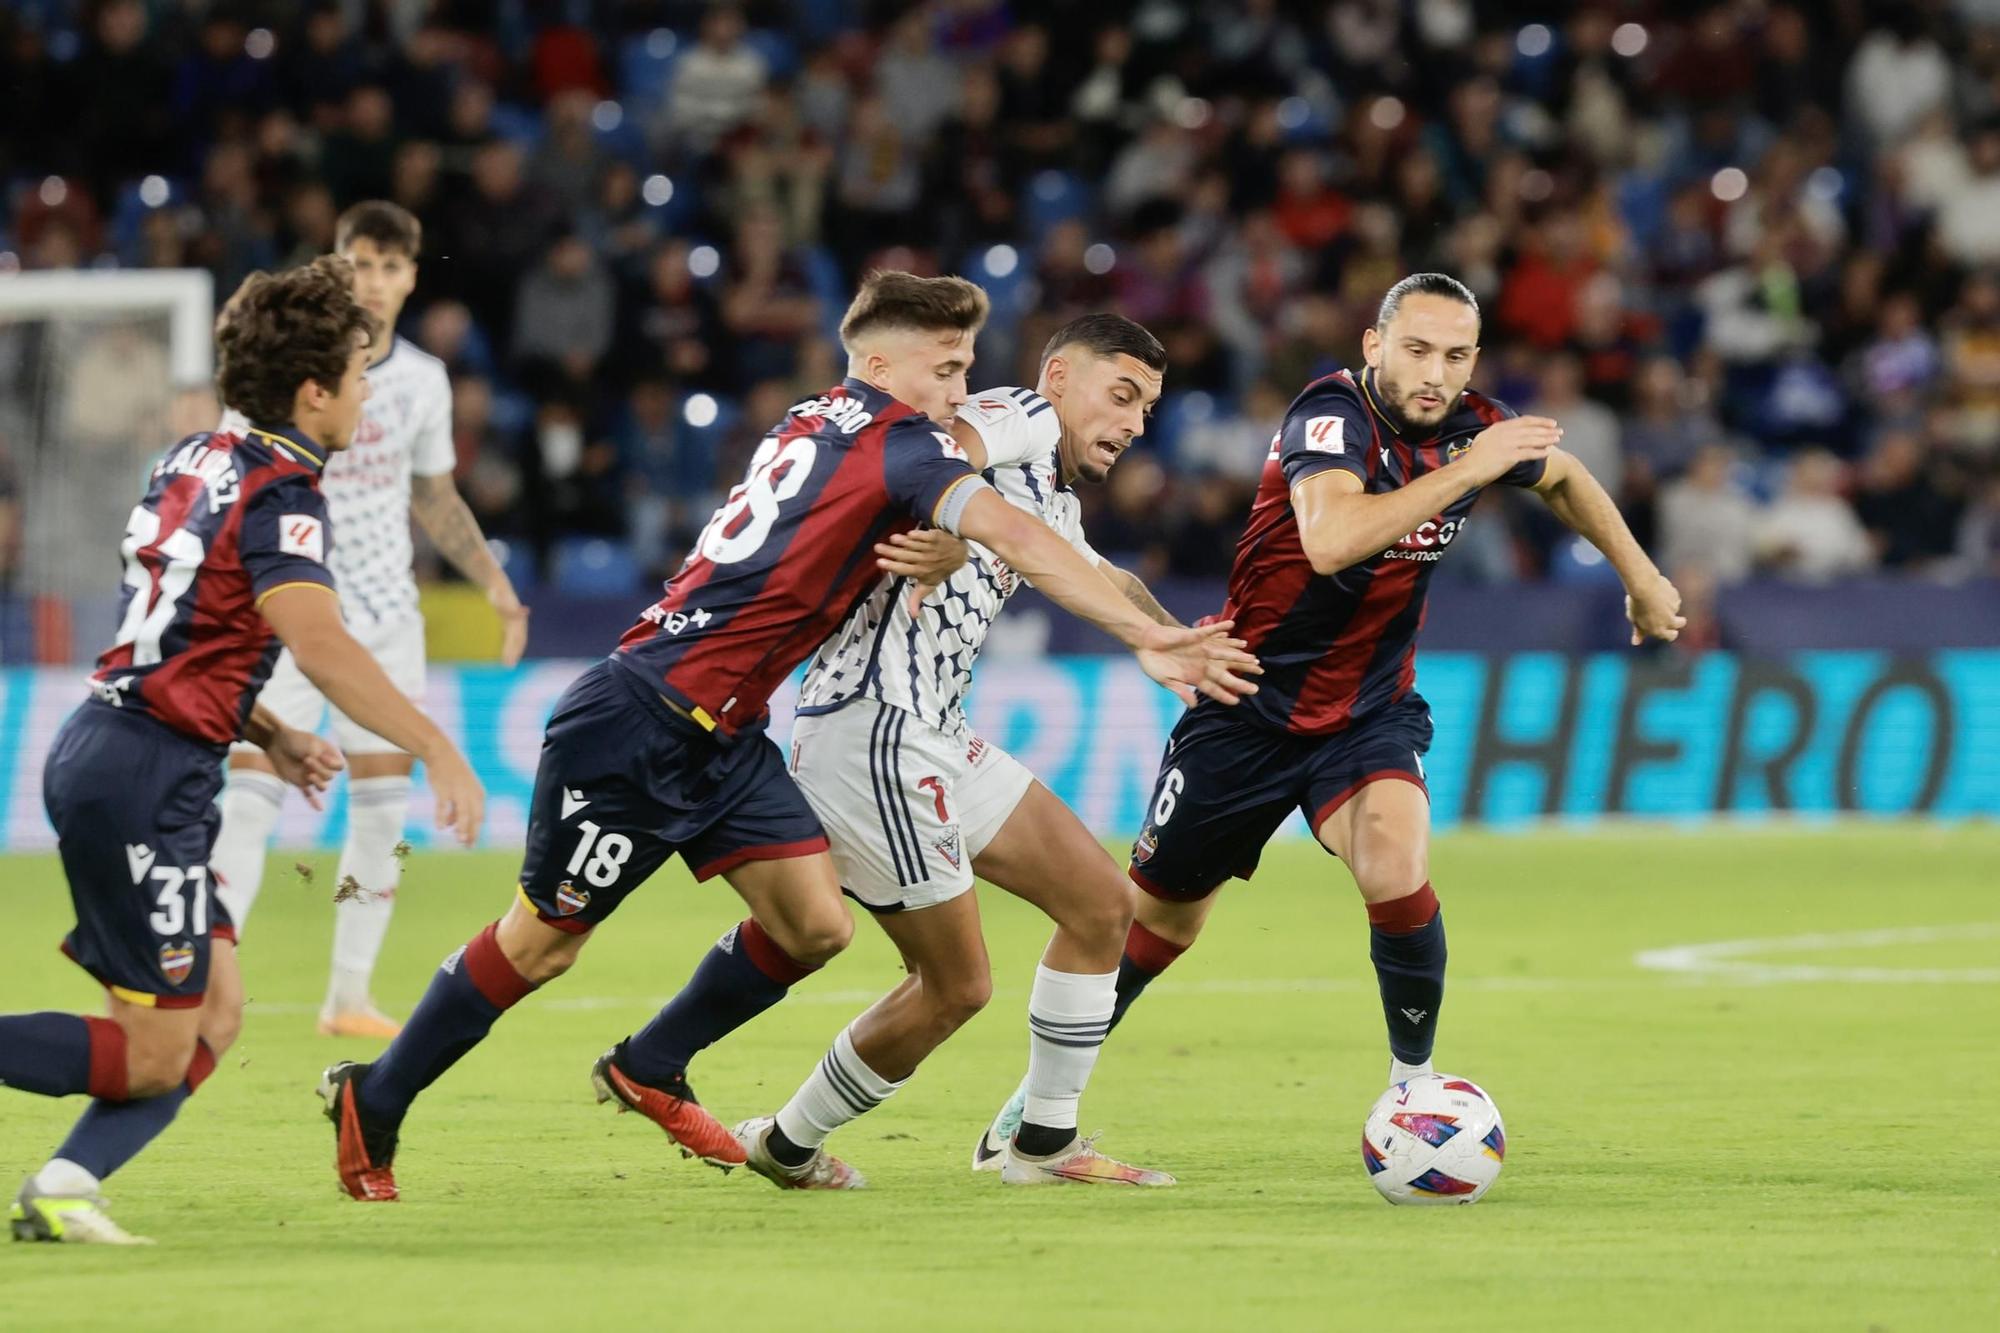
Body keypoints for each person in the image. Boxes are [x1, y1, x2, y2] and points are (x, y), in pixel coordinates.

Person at [317, 272, 1257, 1203]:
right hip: (643, 715)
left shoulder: (823, 421)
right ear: (883, 364)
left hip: (733, 731)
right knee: (544, 944)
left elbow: (1036, 530)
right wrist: (988, 538)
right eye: (947, 369)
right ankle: (379, 1095)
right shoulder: (927, 442)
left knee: (816, 924)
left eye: (967, 367)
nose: (960, 391)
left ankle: (655, 1063)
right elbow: (994, 487)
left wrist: (1145, 626)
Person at [972, 273, 1685, 1152]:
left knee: (1394, 858)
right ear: (1375, 346)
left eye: (1456, 356)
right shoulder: (1329, 416)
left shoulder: (1475, 426)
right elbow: (1332, 538)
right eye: (1417, 350)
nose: (1436, 373)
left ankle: (1414, 1093)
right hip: (1242, 706)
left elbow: (1565, 474)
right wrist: (1474, 467)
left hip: (1367, 713)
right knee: (1158, 921)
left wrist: (1642, 577)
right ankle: (1037, 1103)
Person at [2, 258, 485, 1245]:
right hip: (141, 773)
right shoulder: (282, 491)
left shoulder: (192, 458)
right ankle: (61, 1183)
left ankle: (61, 1185)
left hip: (129, 752)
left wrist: (271, 729)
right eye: (356, 376)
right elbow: (320, 642)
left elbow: (183, 628)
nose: (364, 394)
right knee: (151, 1051)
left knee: (215, 1012)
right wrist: (435, 741)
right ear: (312, 390)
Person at [738, 314, 1198, 1190]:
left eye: (1147, 407)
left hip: (934, 732)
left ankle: (1041, 1144)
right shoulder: (1016, 413)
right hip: (873, 725)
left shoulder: (1047, 491)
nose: (1135, 422)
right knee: (953, 987)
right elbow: (934, 440)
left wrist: (1176, 642)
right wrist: (942, 516)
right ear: (1059, 377)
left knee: (1102, 907)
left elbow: (1104, 578)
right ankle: (788, 1143)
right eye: (1122, 393)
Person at [210, 201, 529, 1039]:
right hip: (289, 606)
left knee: (384, 808)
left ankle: (348, 994)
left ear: (413, 277)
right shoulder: (284, 366)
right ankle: (208, 969)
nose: (377, 281)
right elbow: (231, 475)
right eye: (363, 262)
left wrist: (494, 582)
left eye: (393, 266)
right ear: (338, 264)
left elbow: (432, 492)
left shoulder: (423, 379)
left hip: (386, 614)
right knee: (250, 798)